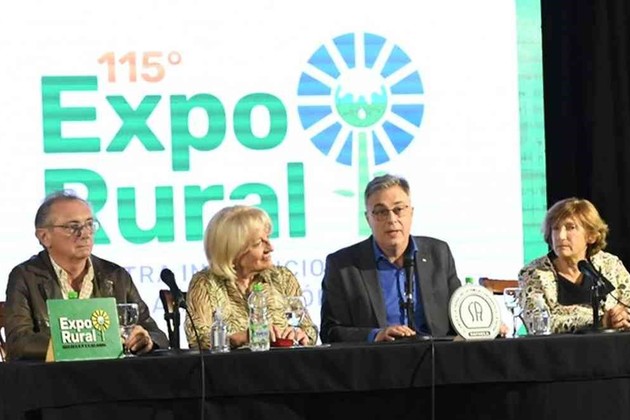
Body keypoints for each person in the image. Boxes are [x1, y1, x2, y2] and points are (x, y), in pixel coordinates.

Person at [4, 191, 169, 360]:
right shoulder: (26, 277)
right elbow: (19, 343)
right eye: (73, 227)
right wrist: (83, 342)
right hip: (53, 375)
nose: (85, 233)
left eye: (89, 224)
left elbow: (158, 335)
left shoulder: (115, 276)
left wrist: (145, 341)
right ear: (44, 236)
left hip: (112, 373)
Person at [320, 174, 462, 343]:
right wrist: (375, 335)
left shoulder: (438, 254)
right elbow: (330, 332)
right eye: (381, 212)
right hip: (377, 357)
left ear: (411, 213)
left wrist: (483, 318)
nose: (392, 219)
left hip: (435, 356)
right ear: (368, 219)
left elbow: (460, 317)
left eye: (399, 209)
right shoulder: (343, 265)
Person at [184, 205, 317, 349]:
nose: (270, 248)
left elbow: (310, 330)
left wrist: (300, 335)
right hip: (232, 363)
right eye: (259, 243)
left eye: (268, 238)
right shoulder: (204, 284)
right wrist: (237, 339)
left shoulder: (283, 278)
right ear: (234, 251)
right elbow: (197, 340)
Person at [518, 197, 630, 333]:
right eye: (555, 228)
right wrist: (600, 322)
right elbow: (536, 323)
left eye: (570, 227)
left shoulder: (610, 264)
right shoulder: (533, 272)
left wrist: (621, 316)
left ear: (591, 235)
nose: (561, 236)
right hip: (562, 346)